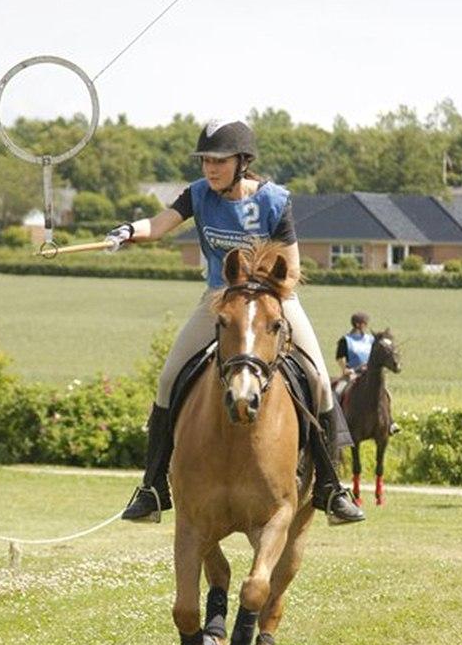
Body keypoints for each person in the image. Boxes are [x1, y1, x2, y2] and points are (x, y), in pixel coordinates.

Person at [107, 119, 364, 525]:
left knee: (317, 380)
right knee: (168, 378)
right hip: (219, 300)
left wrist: (260, 296)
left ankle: (331, 489)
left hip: (274, 302)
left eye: (220, 161)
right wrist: (125, 231)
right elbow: (157, 226)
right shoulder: (198, 195)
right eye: (206, 160)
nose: (210, 168)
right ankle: (153, 487)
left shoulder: (275, 201)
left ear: (242, 162)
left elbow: (292, 269)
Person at [334, 313, 399, 433]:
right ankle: (337, 421)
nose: (366, 326)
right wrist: (345, 369)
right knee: (338, 390)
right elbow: (340, 357)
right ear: (358, 324)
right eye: (364, 323)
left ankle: (389, 421)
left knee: (386, 393)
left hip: (368, 372)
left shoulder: (370, 339)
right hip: (352, 372)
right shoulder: (346, 340)